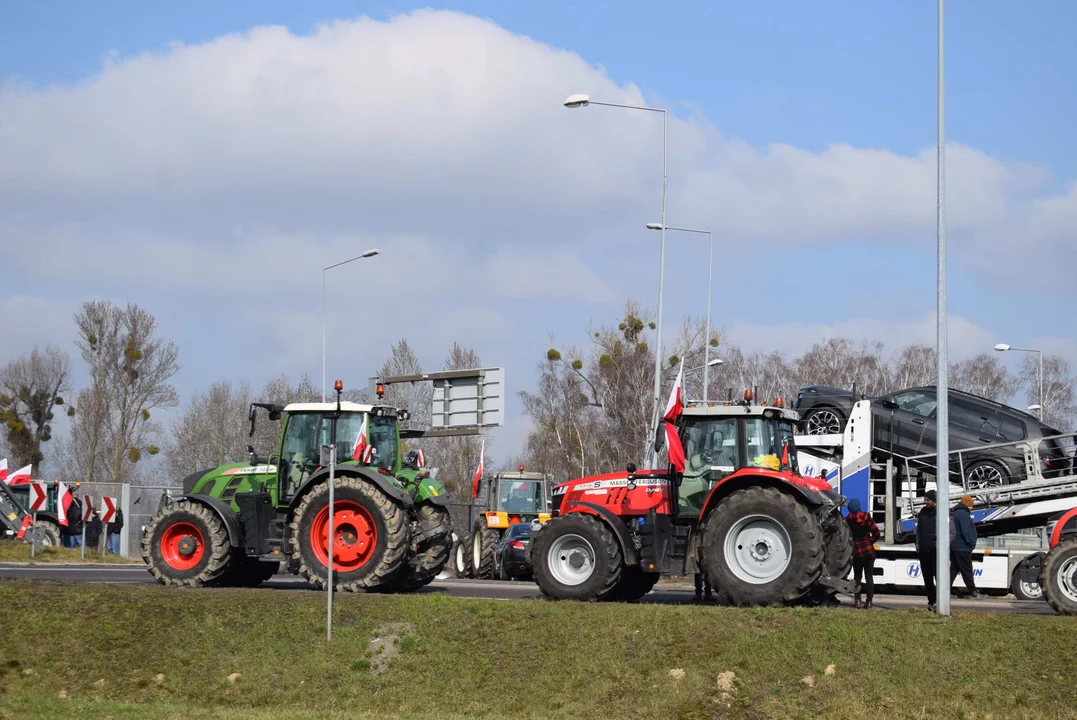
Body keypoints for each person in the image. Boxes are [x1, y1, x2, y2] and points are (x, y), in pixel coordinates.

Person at [845, 498, 880, 609]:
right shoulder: (867, 518)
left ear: (850, 508)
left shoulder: (847, 520)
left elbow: (845, 537)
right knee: (869, 577)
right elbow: (877, 533)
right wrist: (870, 542)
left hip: (857, 552)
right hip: (869, 552)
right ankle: (869, 602)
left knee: (857, 577)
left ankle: (857, 601)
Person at [950, 495, 984, 598]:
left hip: (956, 546)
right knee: (967, 570)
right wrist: (971, 543)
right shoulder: (963, 514)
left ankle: (945, 590)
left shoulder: (957, 513)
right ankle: (973, 592)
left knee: (954, 569)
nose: (972, 507)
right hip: (962, 547)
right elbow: (966, 531)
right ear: (966, 504)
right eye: (971, 505)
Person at [915, 490, 939, 610]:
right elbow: (919, 530)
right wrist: (918, 546)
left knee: (938, 577)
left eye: (927, 500)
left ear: (934, 500)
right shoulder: (923, 512)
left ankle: (940, 601)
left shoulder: (940, 512)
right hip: (924, 550)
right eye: (925, 499)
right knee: (927, 578)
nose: (925, 502)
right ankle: (931, 601)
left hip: (936, 550)